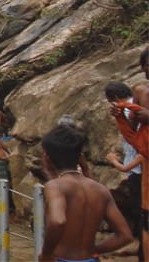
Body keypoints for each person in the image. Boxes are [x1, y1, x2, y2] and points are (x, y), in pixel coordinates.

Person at [39, 124, 132, 262]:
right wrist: (95, 249)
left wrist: (46, 253)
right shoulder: (100, 190)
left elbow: (57, 221)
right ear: (80, 157)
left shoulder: (55, 187)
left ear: (46, 157)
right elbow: (125, 235)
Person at [108, 80, 149, 262]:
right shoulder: (137, 120)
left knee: (142, 218)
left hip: (139, 173)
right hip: (142, 174)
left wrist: (115, 162)